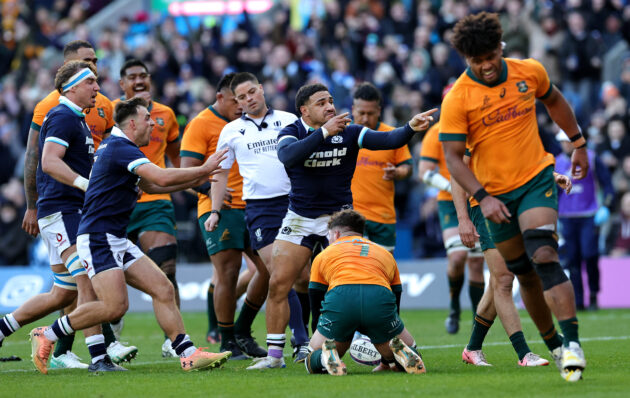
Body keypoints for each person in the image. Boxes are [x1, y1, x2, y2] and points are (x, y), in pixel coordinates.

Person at [29, 97, 232, 373]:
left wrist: (200, 182)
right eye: (147, 118)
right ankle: (48, 334)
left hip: (115, 237)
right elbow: (160, 179)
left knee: (163, 288)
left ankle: (187, 353)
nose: (152, 123)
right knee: (114, 307)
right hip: (99, 238)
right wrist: (205, 169)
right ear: (133, 123)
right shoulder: (121, 147)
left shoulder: (120, 148)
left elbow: (153, 185)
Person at [440, 12, 589, 382]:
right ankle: (554, 346)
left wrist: (578, 142)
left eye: (491, 55)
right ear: (466, 60)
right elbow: (453, 161)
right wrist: (482, 198)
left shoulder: (529, 71)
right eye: (478, 61)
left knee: (543, 253)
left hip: (536, 179)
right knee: (521, 274)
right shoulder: (458, 98)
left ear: (500, 47)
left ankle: (572, 344)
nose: (487, 65)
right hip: (493, 196)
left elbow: (555, 102)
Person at [247, 82, 436, 370]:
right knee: (278, 283)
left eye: (331, 100)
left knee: (355, 281)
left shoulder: (350, 131)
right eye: (322, 102)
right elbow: (287, 157)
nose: (330, 106)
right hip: (299, 218)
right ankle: (274, 356)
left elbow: (390, 141)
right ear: (305, 110)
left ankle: (337, 348)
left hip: (340, 220)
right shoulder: (291, 132)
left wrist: (410, 126)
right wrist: (324, 133)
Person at [3, 60, 125, 374]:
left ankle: (2, 329)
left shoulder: (77, 119)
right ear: (71, 87)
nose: (97, 88)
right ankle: (99, 358)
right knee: (87, 277)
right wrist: (85, 184)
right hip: (62, 211)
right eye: (91, 83)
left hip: (65, 211)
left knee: (63, 290)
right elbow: (48, 161)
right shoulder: (61, 116)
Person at [204, 72, 311, 364]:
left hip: (295, 204)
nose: (249, 98)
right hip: (260, 209)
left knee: (303, 276)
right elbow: (221, 173)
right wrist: (214, 211)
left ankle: (306, 336)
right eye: (242, 96)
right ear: (236, 102)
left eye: (252, 92)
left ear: (262, 89)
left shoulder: (290, 121)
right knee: (281, 274)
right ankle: (301, 342)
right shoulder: (231, 131)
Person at [453, 152, 573, 367]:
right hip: (484, 205)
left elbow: (518, 156)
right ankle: (523, 353)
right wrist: (463, 219)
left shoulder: (507, 121)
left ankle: (472, 348)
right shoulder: (471, 124)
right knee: (505, 279)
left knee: (497, 282)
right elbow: (457, 171)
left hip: (515, 200)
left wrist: (552, 174)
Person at [181, 72, 268, 359]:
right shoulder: (201, 124)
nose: (242, 106)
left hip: (258, 205)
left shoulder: (253, 123)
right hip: (220, 208)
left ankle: (242, 329)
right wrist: (209, 189)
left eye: (245, 98)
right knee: (227, 274)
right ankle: (227, 339)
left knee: (268, 272)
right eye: (236, 100)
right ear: (220, 97)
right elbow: (187, 170)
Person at [113, 59, 181, 357]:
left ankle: (173, 338)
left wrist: (197, 183)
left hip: (155, 199)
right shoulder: (110, 111)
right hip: (117, 201)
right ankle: (113, 327)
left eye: (143, 76)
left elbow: (177, 160)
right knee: (111, 270)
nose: (138, 81)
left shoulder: (166, 114)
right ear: (122, 83)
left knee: (167, 263)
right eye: (132, 77)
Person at [304, 209, 424, 375]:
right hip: (378, 297)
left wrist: (321, 333)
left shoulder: (324, 255)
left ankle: (325, 356)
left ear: (336, 234)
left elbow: (316, 297)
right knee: (409, 347)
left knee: (313, 355)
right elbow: (396, 298)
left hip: (341, 298)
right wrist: (389, 333)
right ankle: (399, 354)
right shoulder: (384, 253)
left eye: (329, 236)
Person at [419, 115, 485, 334]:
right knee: (457, 257)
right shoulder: (436, 132)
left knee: (477, 262)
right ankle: (454, 306)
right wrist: (453, 187)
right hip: (449, 199)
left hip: (478, 197)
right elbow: (425, 172)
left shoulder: (478, 128)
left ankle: (479, 318)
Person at [350, 82, 413, 252]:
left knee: (382, 270)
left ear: (379, 111)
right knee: (355, 267)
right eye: (361, 113)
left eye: (370, 113)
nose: (365, 118)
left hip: (382, 217)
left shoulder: (392, 136)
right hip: (351, 216)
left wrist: (398, 172)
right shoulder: (343, 134)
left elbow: (408, 167)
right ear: (353, 109)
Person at [555, 130, 614, 311]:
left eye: (568, 141)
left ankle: (594, 294)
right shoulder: (555, 162)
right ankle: (578, 300)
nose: (565, 144)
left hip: (589, 215)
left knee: (590, 255)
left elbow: (608, 185)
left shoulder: (592, 158)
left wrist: (606, 206)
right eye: (563, 142)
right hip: (567, 217)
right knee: (572, 260)